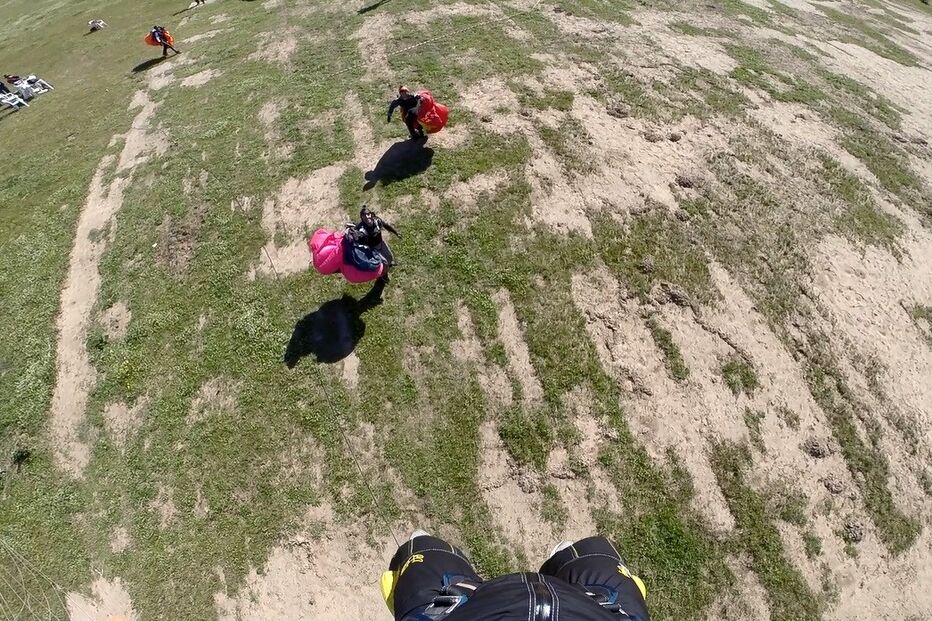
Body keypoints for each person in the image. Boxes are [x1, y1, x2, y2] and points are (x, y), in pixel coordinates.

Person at [383, 532, 652, 621]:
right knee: (422, 548)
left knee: (421, 548)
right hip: (469, 606)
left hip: (591, 606)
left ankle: (567, 556)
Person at [353, 206, 399, 282]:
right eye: (364, 215)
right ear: (361, 217)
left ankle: (389, 263)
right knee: (384, 263)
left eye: (368, 214)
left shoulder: (377, 221)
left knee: (389, 256)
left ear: (371, 214)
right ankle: (383, 275)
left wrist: (396, 232)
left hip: (381, 243)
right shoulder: (361, 229)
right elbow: (356, 238)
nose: (366, 217)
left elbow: (386, 226)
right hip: (373, 249)